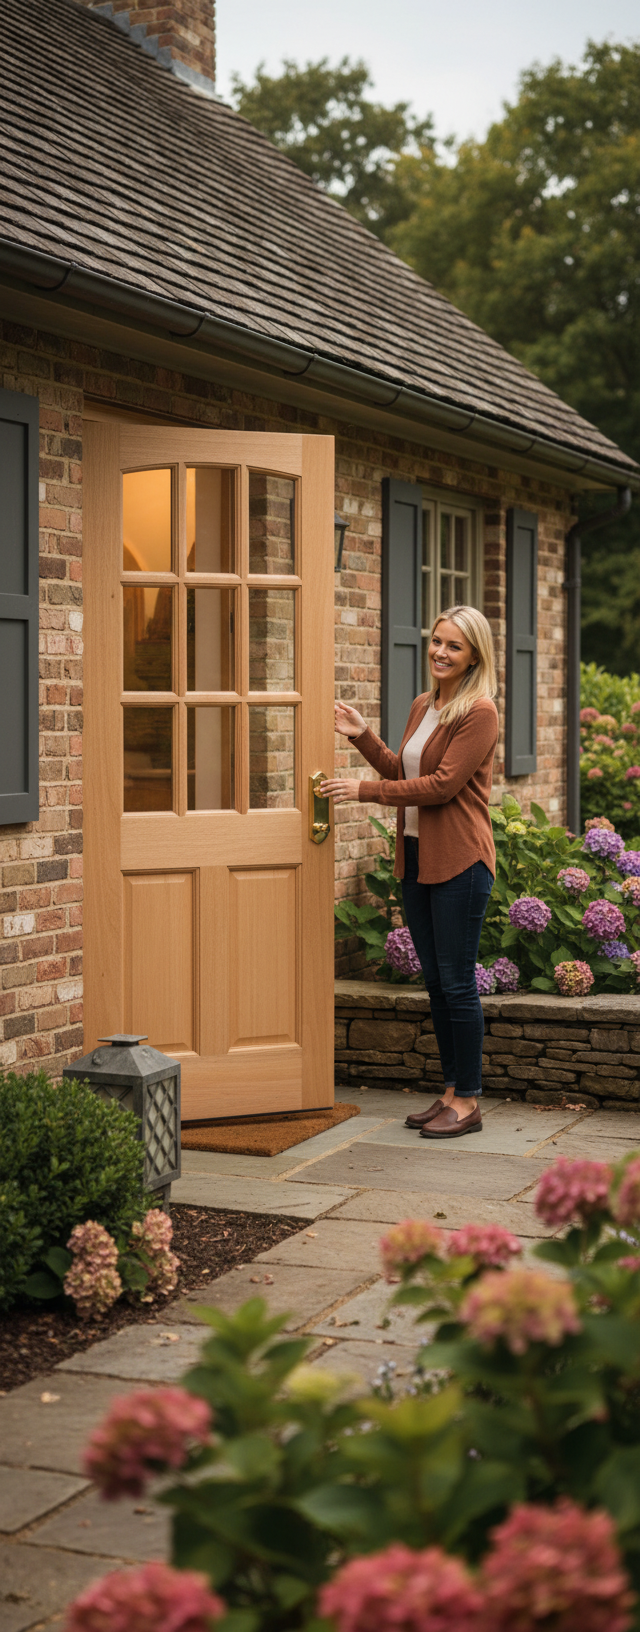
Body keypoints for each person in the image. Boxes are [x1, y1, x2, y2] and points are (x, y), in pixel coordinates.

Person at [321, 605, 498, 1140]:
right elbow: (405, 771)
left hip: (461, 860)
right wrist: (362, 735)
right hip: (417, 857)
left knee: (457, 982)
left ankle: (467, 1101)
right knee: (437, 984)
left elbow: (442, 786)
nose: (441, 653)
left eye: (455, 647)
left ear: (474, 657)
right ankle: (449, 1092)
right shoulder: (426, 704)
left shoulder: (479, 711)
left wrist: (361, 790)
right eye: (437, 641)